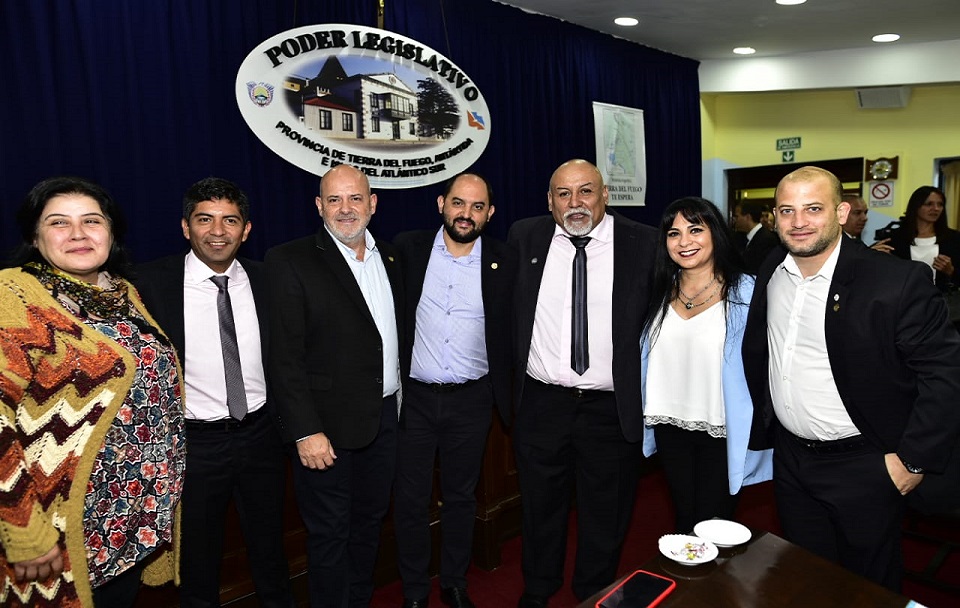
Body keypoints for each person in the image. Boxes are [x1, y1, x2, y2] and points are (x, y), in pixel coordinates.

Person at [742, 166, 960, 590]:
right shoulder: (772, 266)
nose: (798, 222)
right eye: (787, 210)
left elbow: (946, 374)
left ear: (841, 212)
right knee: (805, 578)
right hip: (791, 462)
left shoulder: (894, 281)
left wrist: (912, 461)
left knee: (867, 588)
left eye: (813, 208)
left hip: (865, 464)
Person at [0, 176, 185, 607]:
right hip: (59, 528)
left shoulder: (122, 293)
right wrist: (24, 529)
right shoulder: (16, 295)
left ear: (112, 232)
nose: (79, 233)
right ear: (34, 235)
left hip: (130, 519)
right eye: (59, 223)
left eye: (92, 221)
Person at [135, 178, 293, 608]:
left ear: (247, 230)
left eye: (230, 220)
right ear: (186, 227)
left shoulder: (268, 279)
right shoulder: (149, 284)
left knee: (269, 548)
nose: (218, 231)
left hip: (261, 435)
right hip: (194, 443)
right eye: (205, 219)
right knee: (198, 560)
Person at [508, 159, 656, 607]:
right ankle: (538, 589)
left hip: (609, 408)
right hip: (541, 404)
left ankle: (593, 593)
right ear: (549, 201)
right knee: (539, 508)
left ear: (605, 194)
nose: (576, 203)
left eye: (585, 191)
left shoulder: (643, 242)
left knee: (606, 513)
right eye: (563, 194)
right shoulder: (524, 237)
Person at [265, 164, 402, 608]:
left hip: (384, 420)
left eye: (356, 198)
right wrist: (305, 430)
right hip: (325, 431)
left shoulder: (393, 258)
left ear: (373, 203)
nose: (347, 209)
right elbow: (284, 358)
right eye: (335, 200)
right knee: (329, 535)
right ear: (319, 206)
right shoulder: (290, 260)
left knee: (368, 525)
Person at [393, 173, 517, 608]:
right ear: (441, 204)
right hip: (416, 399)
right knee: (410, 500)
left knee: (462, 497)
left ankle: (453, 581)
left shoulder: (505, 260)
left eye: (477, 206)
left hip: (473, 399)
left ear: (490, 213)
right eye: (459, 203)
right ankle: (413, 590)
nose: (466, 214)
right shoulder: (406, 251)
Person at [641, 197, 772, 533]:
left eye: (695, 229)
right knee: (684, 518)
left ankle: (717, 586)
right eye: (674, 233)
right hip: (669, 424)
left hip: (723, 426)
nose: (684, 242)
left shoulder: (748, 291)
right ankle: (692, 585)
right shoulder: (656, 289)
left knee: (715, 524)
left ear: (716, 233)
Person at [873, 186, 960, 291]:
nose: (936, 208)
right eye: (929, 204)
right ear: (916, 206)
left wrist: (951, 271)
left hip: (943, 302)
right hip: (904, 302)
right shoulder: (895, 239)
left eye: (940, 204)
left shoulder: (954, 239)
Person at [732, 201, 779, 274]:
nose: (735, 220)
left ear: (748, 217)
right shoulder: (741, 238)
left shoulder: (767, 240)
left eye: (737, 216)